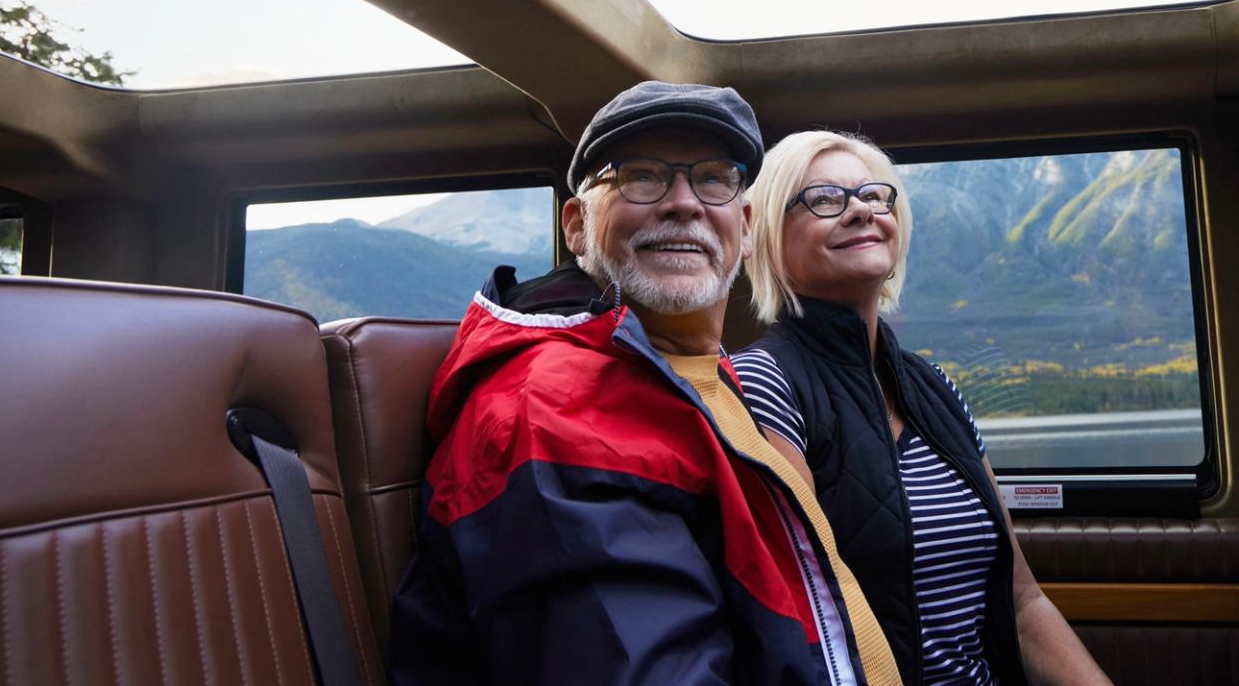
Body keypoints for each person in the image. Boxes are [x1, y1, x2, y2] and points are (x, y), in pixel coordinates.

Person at [391, 82, 902, 686]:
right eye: (639, 175)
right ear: (577, 227)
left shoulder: (699, 374)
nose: (683, 203)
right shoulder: (553, 410)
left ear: (742, 223)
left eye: (714, 178)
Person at [732, 131, 1115, 686]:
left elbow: (1024, 604)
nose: (860, 210)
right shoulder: (763, 382)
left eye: (872, 196)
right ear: (768, 235)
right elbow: (808, 618)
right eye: (824, 200)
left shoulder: (934, 388)